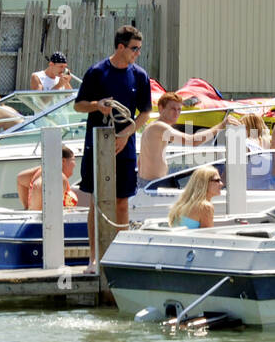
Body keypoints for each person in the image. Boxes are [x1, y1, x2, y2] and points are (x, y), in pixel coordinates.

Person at [74, 26, 152, 267]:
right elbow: (79, 105)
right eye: (134, 49)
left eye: (139, 49)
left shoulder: (139, 75)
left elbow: (146, 112)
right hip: (98, 145)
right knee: (98, 201)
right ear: (121, 47)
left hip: (124, 146)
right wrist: (98, 105)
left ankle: (119, 258)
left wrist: (127, 135)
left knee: (121, 201)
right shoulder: (97, 72)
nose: (138, 53)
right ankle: (94, 258)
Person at [139, 91, 236, 181]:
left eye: (179, 109)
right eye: (173, 109)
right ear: (161, 108)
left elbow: (140, 162)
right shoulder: (159, 127)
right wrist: (221, 125)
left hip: (149, 183)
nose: (177, 113)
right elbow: (193, 141)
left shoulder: (151, 127)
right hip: (153, 184)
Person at [167, 165, 222, 229]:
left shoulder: (183, 204)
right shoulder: (205, 207)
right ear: (204, 183)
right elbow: (208, 236)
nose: (221, 184)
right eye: (217, 180)